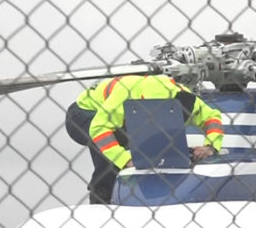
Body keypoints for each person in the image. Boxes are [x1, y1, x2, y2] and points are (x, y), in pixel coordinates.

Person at [65, 75, 224, 204]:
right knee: (117, 138)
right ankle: (101, 195)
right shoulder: (129, 94)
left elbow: (212, 117)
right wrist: (125, 159)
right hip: (82, 114)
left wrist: (210, 146)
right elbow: (99, 129)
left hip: (124, 116)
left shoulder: (188, 99)